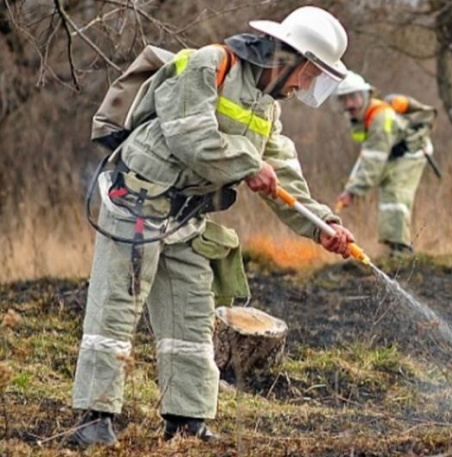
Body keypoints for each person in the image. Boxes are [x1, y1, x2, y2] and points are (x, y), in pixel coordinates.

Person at [70, 6, 353, 447]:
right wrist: (248, 163)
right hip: (139, 197)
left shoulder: (268, 107)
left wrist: (325, 226)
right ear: (287, 57)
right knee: (117, 304)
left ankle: (187, 421)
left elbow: (284, 177)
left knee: (191, 313)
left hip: (186, 214)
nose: (306, 86)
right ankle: (93, 417)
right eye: (310, 74)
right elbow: (191, 137)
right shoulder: (207, 64)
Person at [333, 72, 436, 256]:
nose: (349, 104)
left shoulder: (381, 118)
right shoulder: (361, 117)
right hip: (393, 155)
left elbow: (374, 160)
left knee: (395, 193)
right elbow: (368, 154)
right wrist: (351, 188)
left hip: (411, 153)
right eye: (344, 99)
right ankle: (393, 247)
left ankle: (401, 251)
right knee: (389, 193)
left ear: (365, 95)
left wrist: (354, 191)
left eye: (353, 97)